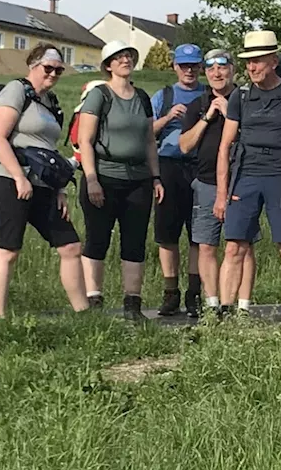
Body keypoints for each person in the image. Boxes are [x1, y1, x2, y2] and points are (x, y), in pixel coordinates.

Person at [214, 30, 281, 322]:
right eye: (248, 63)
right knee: (234, 246)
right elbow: (224, 147)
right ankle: (224, 313)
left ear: (273, 60)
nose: (252, 68)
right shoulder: (241, 97)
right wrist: (222, 194)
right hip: (245, 176)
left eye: (257, 61)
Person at [0, 44, 89, 318]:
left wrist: (60, 190)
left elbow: (49, 151)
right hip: (8, 178)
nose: (53, 73)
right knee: (8, 249)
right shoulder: (16, 90)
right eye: (48, 68)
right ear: (33, 65)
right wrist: (19, 176)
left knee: (70, 245)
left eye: (58, 70)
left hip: (43, 184)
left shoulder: (50, 102)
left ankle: (83, 314)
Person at [76, 40, 164, 321]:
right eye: (119, 57)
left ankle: (132, 303)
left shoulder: (142, 97)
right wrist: (91, 179)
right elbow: (85, 141)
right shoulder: (99, 95)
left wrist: (156, 177)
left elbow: (150, 141)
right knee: (97, 239)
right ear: (108, 65)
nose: (125, 60)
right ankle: (94, 299)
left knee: (135, 242)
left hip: (138, 179)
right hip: (104, 177)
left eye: (129, 56)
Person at [179, 49, 257, 317]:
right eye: (210, 68)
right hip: (207, 183)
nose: (216, 73)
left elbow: (256, 137)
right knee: (206, 245)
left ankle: (242, 306)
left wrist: (230, 115)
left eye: (222, 67)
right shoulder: (198, 105)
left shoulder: (247, 100)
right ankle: (213, 306)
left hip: (243, 182)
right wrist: (207, 117)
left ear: (233, 69)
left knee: (242, 246)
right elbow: (185, 146)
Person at [149, 43, 207, 317]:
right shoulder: (165, 95)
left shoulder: (208, 95)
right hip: (169, 165)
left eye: (194, 65)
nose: (190, 70)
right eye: (184, 65)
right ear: (175, 67)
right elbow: (145, 131)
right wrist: (168, 117)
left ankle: (194, 294)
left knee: (199, 234)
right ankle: (170, 292)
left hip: (200, 166)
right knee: (167, 234)